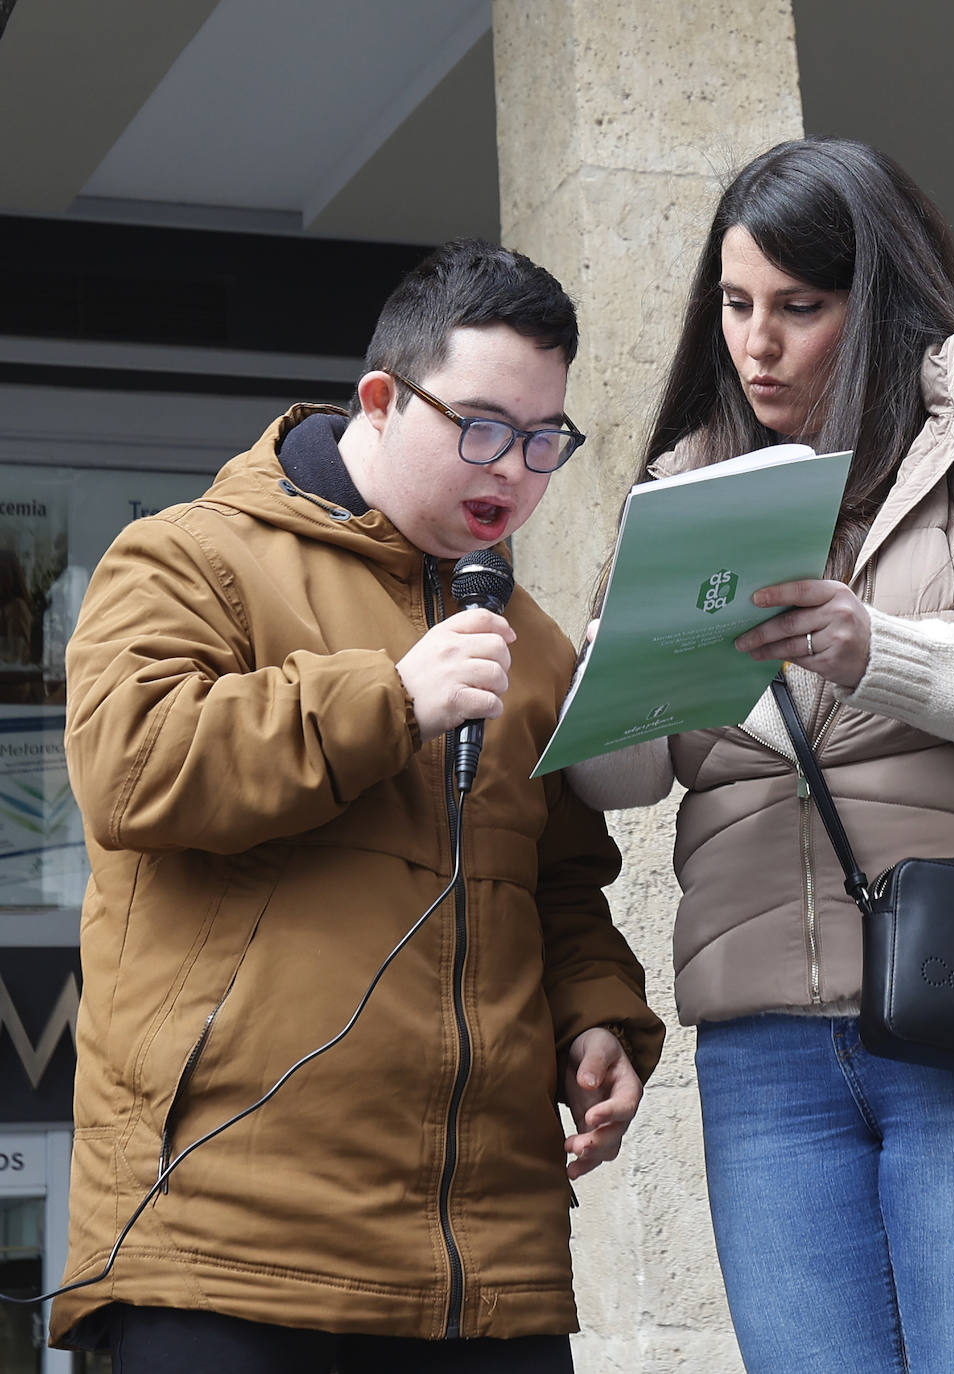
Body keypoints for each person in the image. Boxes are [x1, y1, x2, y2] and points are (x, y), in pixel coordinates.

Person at [566, 138, 954, 1374]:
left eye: (798, 307)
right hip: (764, 1039)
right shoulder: (679, 492)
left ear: (873, 298)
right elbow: (628, 781)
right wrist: (604, 687)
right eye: (733, 305)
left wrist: (879, 649)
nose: (755, 343)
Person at [49, 238, 664, 1374]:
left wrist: (596, 1019)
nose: (512, 470)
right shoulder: (190, 559)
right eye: (481, 427)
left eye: (543, 441)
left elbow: (560, 883)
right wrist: (388, 696)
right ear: (380, 399)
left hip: (487, 1273)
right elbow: (130, 767)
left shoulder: (523, 643)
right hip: (224, 1246)